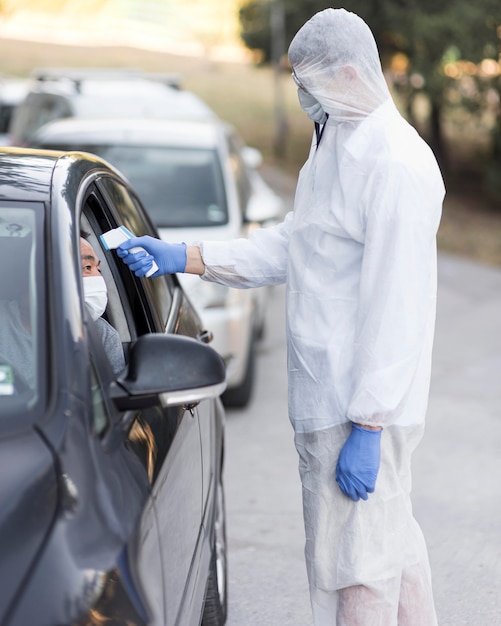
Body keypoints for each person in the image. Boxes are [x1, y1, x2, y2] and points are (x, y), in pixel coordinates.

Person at [116, 8, 445, 625]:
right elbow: (298, 244)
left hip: (357, 407)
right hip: (333, 398)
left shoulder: (394, 164)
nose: (301, 95)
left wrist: (369, 427)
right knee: (389, 548)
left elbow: (398, 304)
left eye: (309, 81)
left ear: (348, 74)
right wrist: (186, 256)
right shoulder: (336, 142)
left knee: (357, 570)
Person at [80, 236, 125, 376]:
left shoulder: (103, 335)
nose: (99, 277)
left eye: (98, 269)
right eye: (87, 267)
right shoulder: (9, 329)